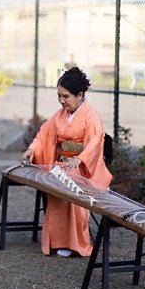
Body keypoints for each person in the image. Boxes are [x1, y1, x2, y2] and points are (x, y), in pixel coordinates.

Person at [21, 67, 112, 258]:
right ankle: (59, 242)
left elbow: (96, 141)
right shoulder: (60, 115)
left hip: (83, 168)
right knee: (55, 187)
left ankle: (78, 244)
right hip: (63, 165)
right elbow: (44, 133)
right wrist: (32, 149)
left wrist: (79, 159)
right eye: (59, 96)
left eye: (66, 96)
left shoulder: (91, 115)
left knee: (72, 185)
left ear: (80, 95)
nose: (62, 101)